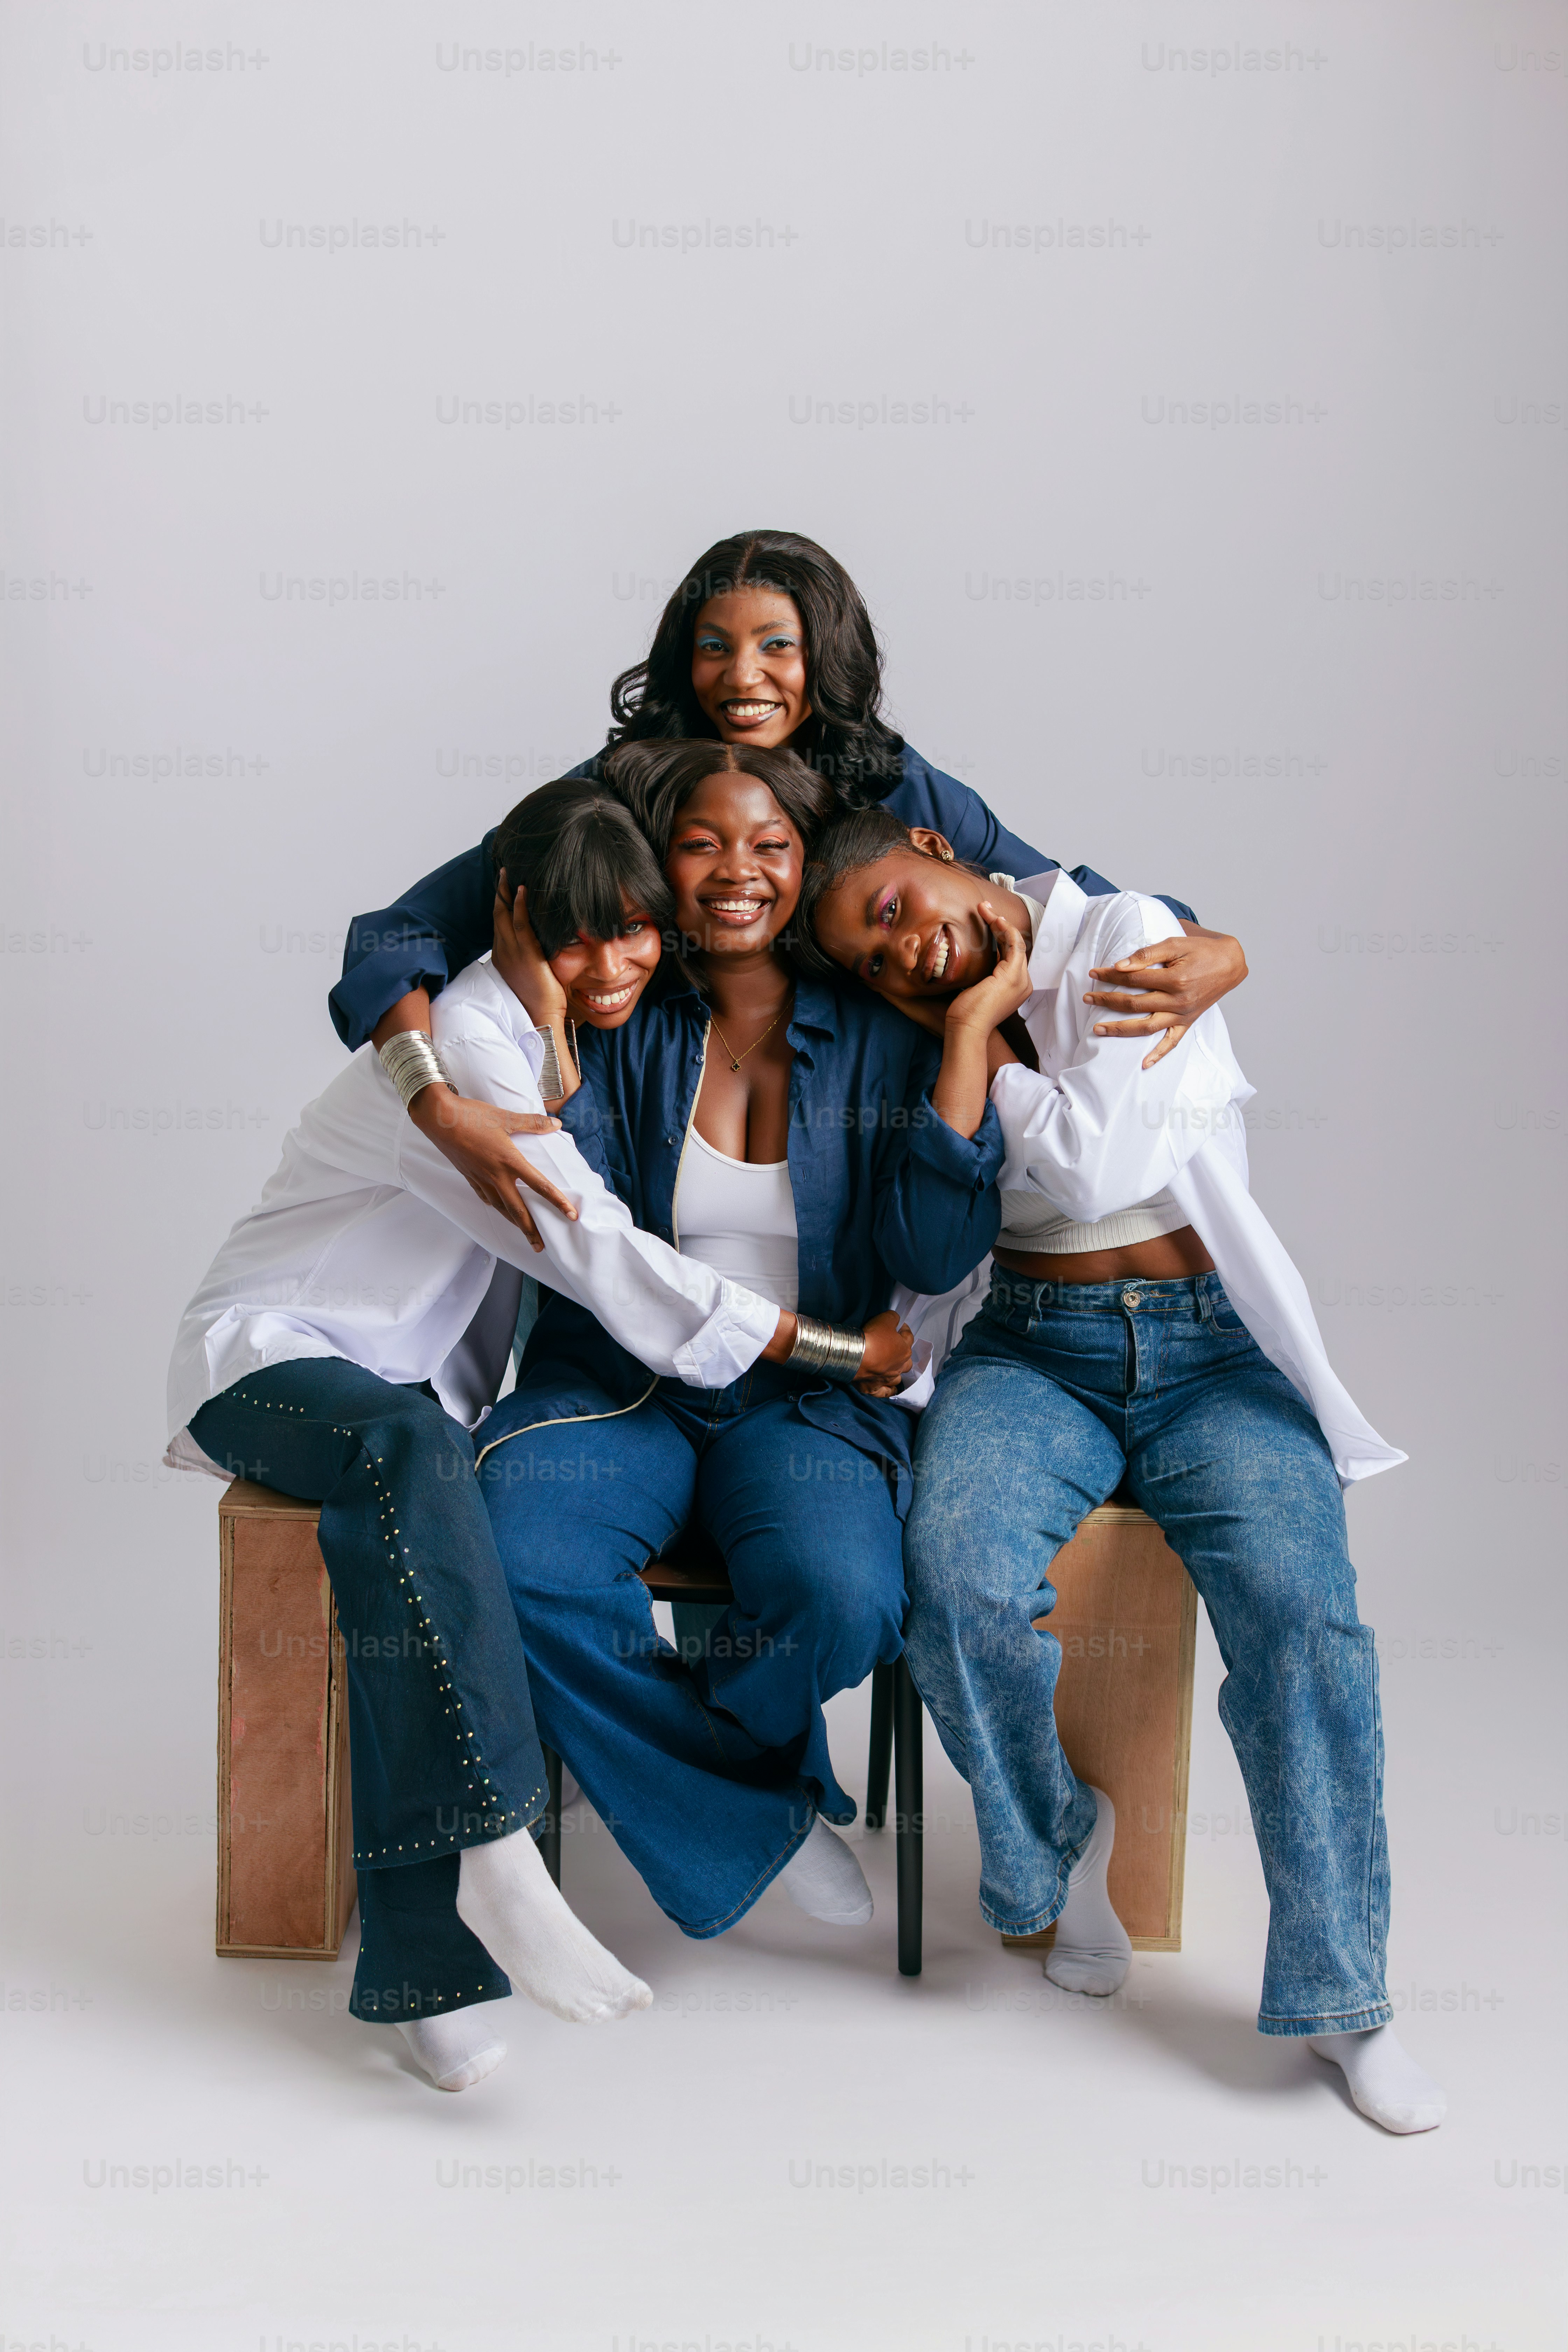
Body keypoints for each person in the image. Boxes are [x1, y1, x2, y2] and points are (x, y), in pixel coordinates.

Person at [164, 779, 829, 2095]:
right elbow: (600, 1257)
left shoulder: (537, 1033)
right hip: (270, 1356)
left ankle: (423, 1962)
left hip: (400, 1400)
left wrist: (559, 1024)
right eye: (576, 937)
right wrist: (815, 1344)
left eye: (638, 929)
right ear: (514, 919)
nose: (615, 961)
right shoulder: (469, 1042)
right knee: (409, 1455)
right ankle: (501, 1850)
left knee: (418, 1487)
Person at [797, 807, 1446, 2136]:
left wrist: (983, 1036)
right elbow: (936, 1239)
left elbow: (1106, 1163)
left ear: (940, 844)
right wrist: (971, 1031)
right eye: (877, 960)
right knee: (956, 1577)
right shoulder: (940, 1034)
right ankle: (1054, 1848)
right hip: (1036, 1349)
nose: (910, 951)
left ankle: (1344, 2000)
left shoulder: (1133, 933)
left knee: (1303, 1619)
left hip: (1213, 1352)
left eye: (899, 906)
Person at [329, 530, 1248, 1237]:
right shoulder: (617, 791)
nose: (744, 675)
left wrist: (1214, 942)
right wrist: (437, 1105)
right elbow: (400, 935)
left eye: (778, 644)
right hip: (645, 1124)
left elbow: (1054, 904)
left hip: (854, 1141)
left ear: (826, 656)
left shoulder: (896, 785)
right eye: (714, 646)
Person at [472, 739, 1006, 1944]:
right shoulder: (614, 1015)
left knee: (847, 1596)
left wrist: (968, 1033)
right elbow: (586, 1238)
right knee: (513, 1552)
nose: (737, 872)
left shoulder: (881, 1026)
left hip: (811, 1414)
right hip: (626, 1386)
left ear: (805, 863)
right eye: (702, 843)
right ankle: (761, 1810)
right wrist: (544, 1027)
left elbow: (928, 1255)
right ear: (661, 862)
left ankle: (696, 1772)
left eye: (770, 846)